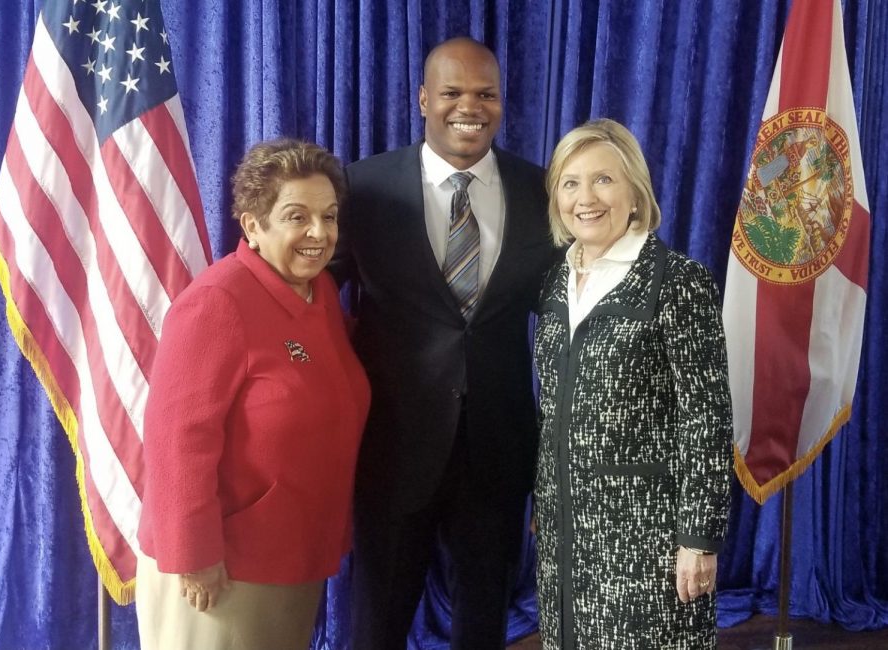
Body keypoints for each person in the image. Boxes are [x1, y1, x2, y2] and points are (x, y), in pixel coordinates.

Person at [331, 37, 555, 649]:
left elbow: (568, 305)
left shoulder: (542, 192)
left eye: (486, 94)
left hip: (497, 448)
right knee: (377, 623)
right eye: (453, 92)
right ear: (423, 99)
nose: (470, 107)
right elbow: (315, 297)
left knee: (484, 623)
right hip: (394, 446)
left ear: (503, 103)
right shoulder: (363, 188)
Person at [135, 139, 371, 650]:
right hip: (225, 565)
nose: (318, 233)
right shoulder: (217, 303)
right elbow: (175, 440)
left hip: (294, 552)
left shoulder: (319, 292)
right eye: (296, 216)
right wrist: (194, 554)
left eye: (329, 217)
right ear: (253, 226)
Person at [532, 119, 732, 648]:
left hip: (647, 533)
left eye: (603, 180)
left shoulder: (677, 282)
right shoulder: (555, 278)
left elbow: (707, 417)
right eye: (570, 182)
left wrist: (699, 537)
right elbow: (552, 405)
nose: (585, 198)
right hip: (565, 527)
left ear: (635, 194)